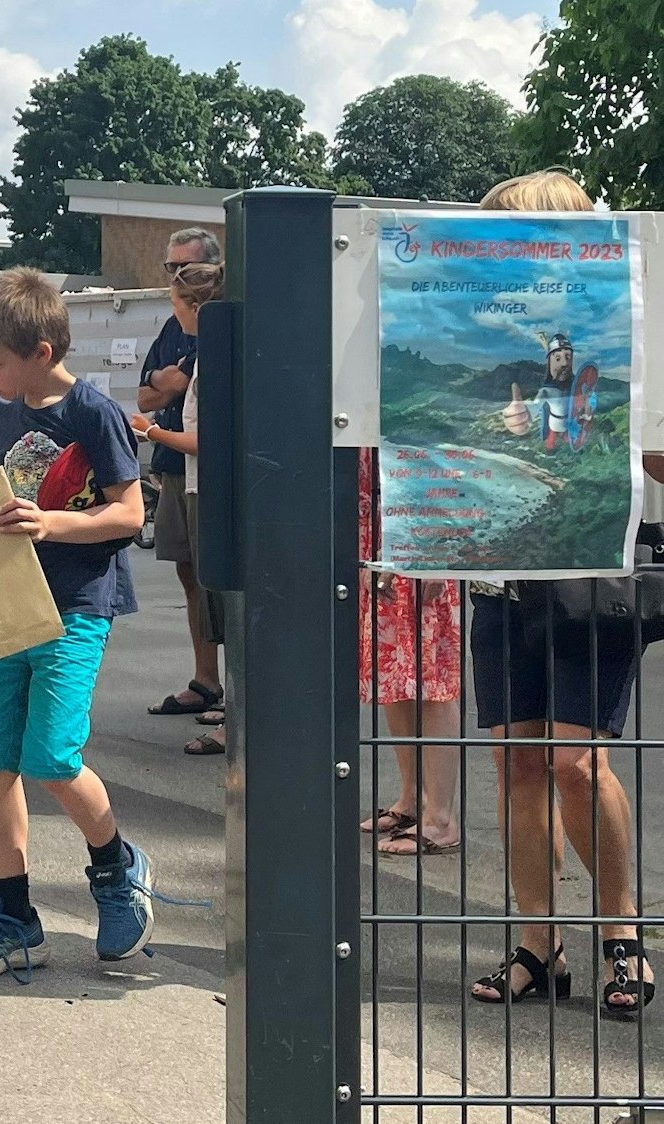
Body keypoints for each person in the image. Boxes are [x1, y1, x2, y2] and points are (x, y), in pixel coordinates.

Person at [464, 169, 653, 1016]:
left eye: (510, 239)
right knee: (516, 764)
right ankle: (539, 943)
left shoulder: (632, 332)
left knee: (578, 764)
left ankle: (623, 934)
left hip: (589, 568)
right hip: (501, 563)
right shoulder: (497, 340)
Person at [0, 268, 164, 981]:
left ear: (40, 351)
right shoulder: (3, 410)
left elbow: (130, 514)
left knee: (53, 759)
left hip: (75, 608)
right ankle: (13, 915)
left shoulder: (91, 412)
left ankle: (117, 867)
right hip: (8, 605)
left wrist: (53, 523)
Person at [131, 263, 231, 757]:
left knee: (224, 600)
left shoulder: (214, 359)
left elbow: (206, 439)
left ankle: (237, 715)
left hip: (211, 489)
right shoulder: (206, 352)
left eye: (176, 305)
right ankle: (221, 696)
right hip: (197, 487)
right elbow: (151, 389)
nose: (175, 318)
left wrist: (150, 431)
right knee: (208, 594)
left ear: (196, 307)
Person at [354, 445, 463, 856]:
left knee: (432, 677)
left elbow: (446, 460)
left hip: (423, 529)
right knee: (392, 674)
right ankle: (413, 799)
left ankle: (441, 818)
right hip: (380, 533)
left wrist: (438, 546)